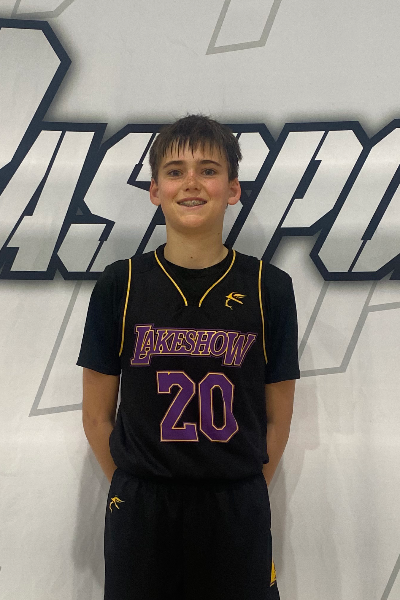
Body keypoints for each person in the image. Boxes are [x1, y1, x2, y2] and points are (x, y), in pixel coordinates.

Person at [77, 114, 300, 600]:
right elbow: (96, 416)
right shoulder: (120, 283)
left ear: (233, 189)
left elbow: (278, 420)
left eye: (208, 170)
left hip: (235, 503)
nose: (192, 183)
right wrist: (135, 486)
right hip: (142, 505)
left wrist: (237, 486)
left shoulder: (269, 288)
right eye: (175, 171)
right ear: (155, 190)